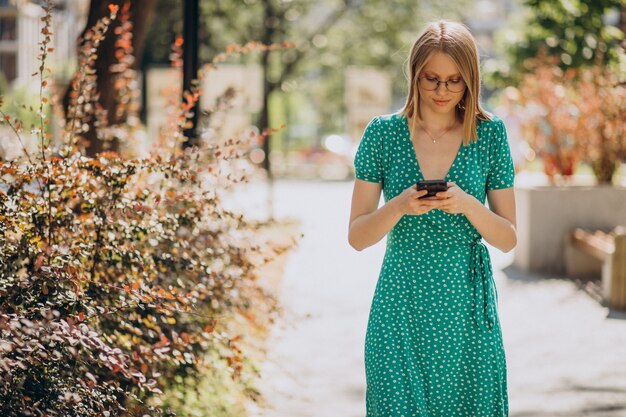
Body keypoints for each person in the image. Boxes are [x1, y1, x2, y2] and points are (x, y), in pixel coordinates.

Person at [348, 20, 516, 417]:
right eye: (432, 79)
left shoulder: (490, 135)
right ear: (414, 75)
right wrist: (399, 206)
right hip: (399, 305)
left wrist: (469, 205)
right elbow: (357, 236)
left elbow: (508, 237)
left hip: (465, 312)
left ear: (471, 79)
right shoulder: (383, 134)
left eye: (455, 81)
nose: (443, 91)